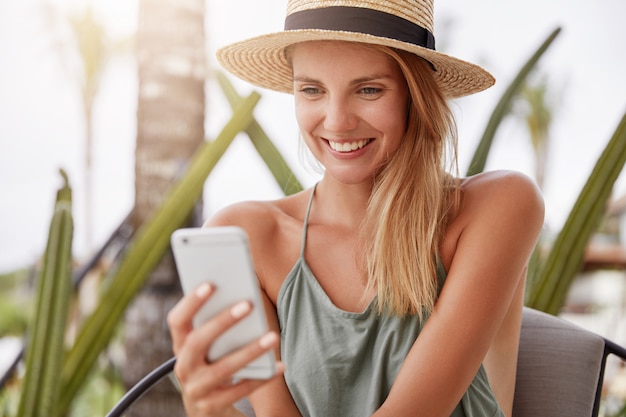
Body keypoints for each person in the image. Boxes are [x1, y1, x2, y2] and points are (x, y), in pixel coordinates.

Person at [167, 1, 545, 416]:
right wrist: (210, 410)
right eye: (312, 90)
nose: (337, 120)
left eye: (368, 89)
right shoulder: (248, 237)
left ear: (413, 96)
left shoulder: (499, 207)